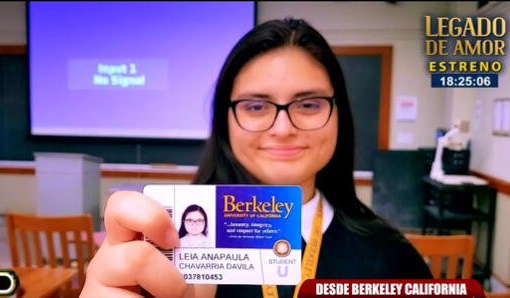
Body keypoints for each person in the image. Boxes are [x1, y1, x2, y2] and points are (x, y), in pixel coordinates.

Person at [81, 18, 432, 298]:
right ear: (226, 120)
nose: (282, 128)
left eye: (308, 104)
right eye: (255, 106)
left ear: (340, 114)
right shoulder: (169, 251)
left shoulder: (392, 257)